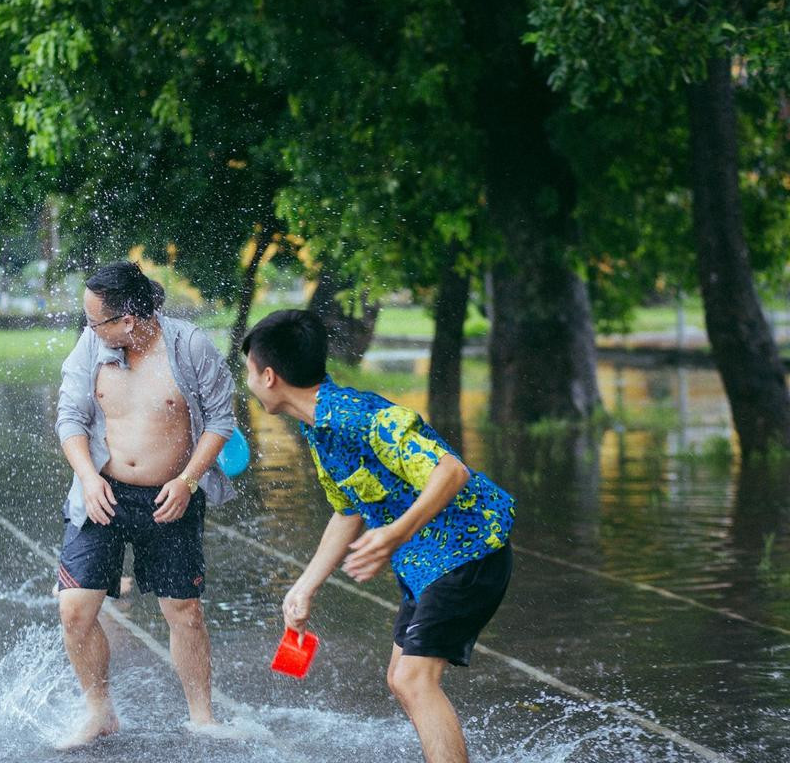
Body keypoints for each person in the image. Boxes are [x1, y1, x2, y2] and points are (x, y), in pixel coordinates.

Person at [242, 309, 514, 763]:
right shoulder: (320, 431)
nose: (247, 381)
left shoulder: (360, 417)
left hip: (467, 550)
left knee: (413, 680)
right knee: (400, 678)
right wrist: (305, 586)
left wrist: (392, 533)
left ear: (269, 376)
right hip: (428, 560)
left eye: (248, 371)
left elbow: (452, 470)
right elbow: (347, 511)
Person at [54, 261, 236, 748]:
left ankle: (202, 716)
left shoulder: (189, 346)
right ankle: (99, 711)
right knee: (74, 610)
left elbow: (221, 419)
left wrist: (189, 481)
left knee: (184, 610)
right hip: (103, 492)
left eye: (97, 321)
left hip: (170, 496)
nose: (89, 330)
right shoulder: (93, 347)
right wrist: (89, 478)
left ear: (128, 321)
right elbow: (69, 418)